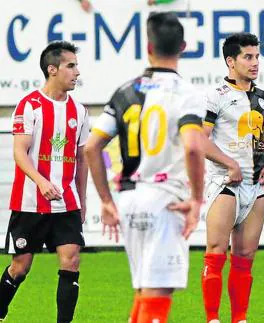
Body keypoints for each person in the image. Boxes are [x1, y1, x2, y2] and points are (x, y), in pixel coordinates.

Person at [85, 12, 207, 323]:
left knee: (143, 289)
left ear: (148, 47)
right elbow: (194, 146)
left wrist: (106, 201)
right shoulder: (186, 94)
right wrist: (196, 200)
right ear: (183, 47)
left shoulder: (125, 91)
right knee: (157, 292)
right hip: (166, 200)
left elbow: (91, 147)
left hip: (128, 200)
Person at [0, 41, 89, 323]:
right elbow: (19, 152)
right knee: (20, 266)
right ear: (52, 69)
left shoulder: (80, 111)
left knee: (71, 259)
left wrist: (82, 201)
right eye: (71, 66)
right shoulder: (30, 106)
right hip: (30, 202)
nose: (77, 72)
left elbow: (82, 159)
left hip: (66, 203)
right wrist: (40, 181)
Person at [201, 32, 264, 323]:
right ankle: (212, 319)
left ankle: (240, 319)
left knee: (245, 257)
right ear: (231, 61)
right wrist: (229, 164)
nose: (255, 62)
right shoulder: (215, 96)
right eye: (248, 57)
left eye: (257, 56)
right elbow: (201, 140)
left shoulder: (261, 97)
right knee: (216, 252)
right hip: (225, 184)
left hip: (255, 186)